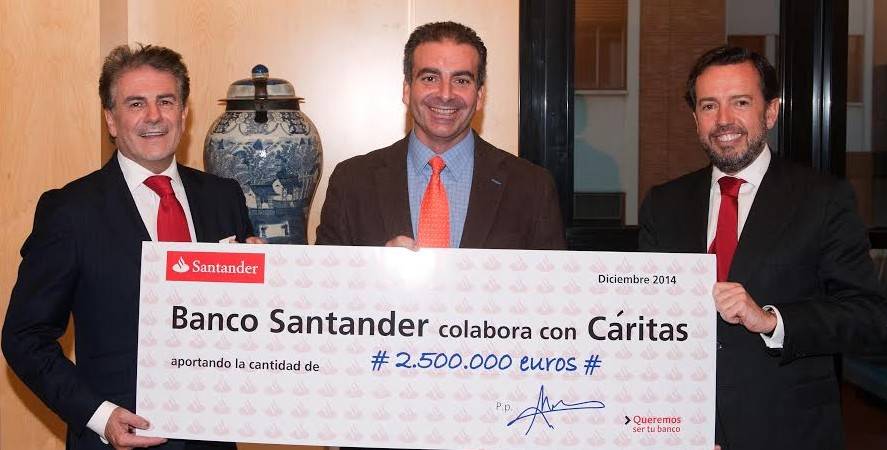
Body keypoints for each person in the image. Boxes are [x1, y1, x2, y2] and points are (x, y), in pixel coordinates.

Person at [2, 44, 254, 450]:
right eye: (136, 104)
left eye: (166, 101)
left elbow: (247, 324)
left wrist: (265, 278)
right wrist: (99, 416)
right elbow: (24, 337)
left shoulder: (224, 197)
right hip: (116, 440)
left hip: (213, 438)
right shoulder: (70, 211)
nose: (154, 116)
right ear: (111, 119)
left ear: (183, 114)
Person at [638, 45, 887, 450]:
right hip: (686, 429)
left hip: (788, 431)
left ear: (771, 112)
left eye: (740, 102)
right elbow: (643, 320)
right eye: (709, 106)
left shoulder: (823, 199)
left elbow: (869, 317)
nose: (724, 120)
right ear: (695, 119)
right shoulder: (663, 205)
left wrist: (772, 320)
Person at [316, 21, 565, 251]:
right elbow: (327, 281)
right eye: (430, 78)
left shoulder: (532, 188)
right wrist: (375, 270)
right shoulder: (351, 183)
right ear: (407, 90)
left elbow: (551, 283)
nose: (445, 94)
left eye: (461, 80)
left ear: (479, 96)